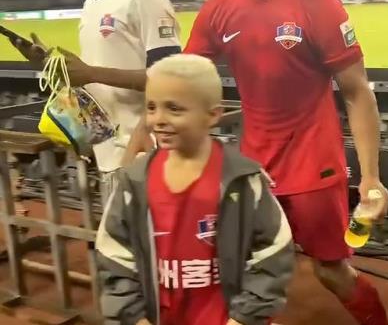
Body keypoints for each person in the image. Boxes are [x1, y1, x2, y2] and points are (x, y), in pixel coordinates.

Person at [182, 0, 388, 325]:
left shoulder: (318, 4)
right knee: (244, 273)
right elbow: (179, 81)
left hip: (314, 168)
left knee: (330, 271)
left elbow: (357, 92)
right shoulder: (219, 10)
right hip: (254, 168)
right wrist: (94, 75)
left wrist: (371, 177)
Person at [95, 54, 294, 325]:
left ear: (213, 115)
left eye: (174, 109)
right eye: (151, 107)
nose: (158, 119)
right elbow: (114, 254)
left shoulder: (243, 180)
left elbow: (273, 254)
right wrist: (133, 316)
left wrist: (243, 318)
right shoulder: (135, 182)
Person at [13, 0, 181, 203]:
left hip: (145, 156)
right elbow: (94, 82)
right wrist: (50, 65)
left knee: (150, 235)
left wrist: (91, 73)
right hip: (107, 156)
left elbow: (170, 79)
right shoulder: (91, 5)